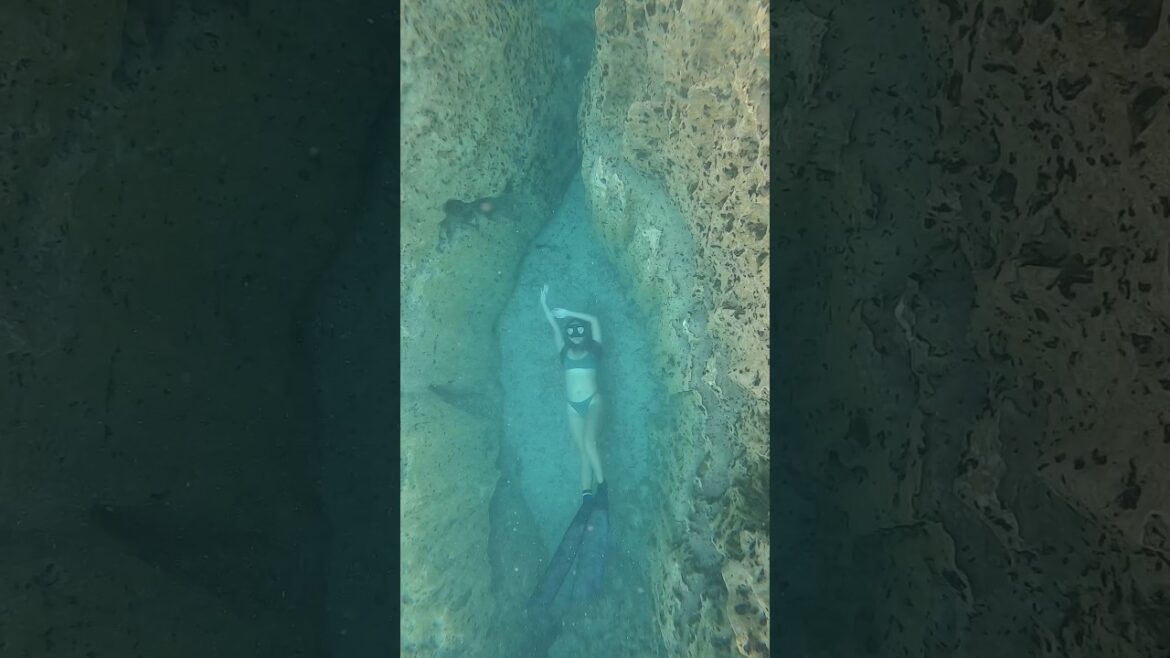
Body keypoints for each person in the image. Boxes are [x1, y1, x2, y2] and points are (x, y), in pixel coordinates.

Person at [540, 284, 606, 504]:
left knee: (589, 444)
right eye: (571, 331)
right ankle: (587, 496)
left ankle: (603, 487)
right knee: (583, 454)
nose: (575, 334)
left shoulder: (595, 348)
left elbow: (594, 321)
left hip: (593, 401)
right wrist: (543, 305)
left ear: (584, 332)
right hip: (572, 407)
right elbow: (554, 328)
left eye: (579, 330)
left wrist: (569, 313)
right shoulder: (564, 351)